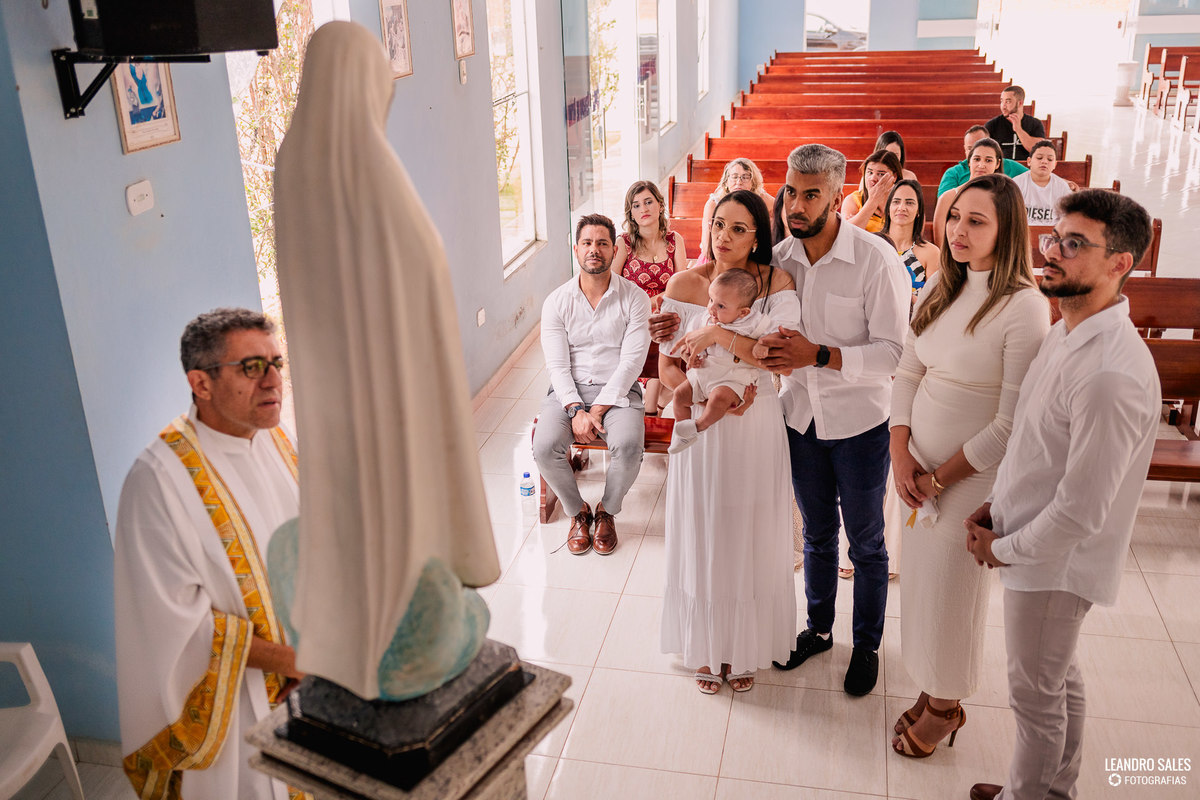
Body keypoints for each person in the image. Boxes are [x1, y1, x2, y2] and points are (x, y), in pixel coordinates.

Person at [967, 190, 1159, 800]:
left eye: (1074, 245)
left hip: (1053, 560)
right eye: (1054, 238)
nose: (1051, 253)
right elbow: (1034, 441)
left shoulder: (1109, 373)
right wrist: (997, 505)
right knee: (1057, 674)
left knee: (1034, 696)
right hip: (1028, 536)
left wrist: (1006, 547)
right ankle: (1056, 791)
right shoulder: (1068, 330)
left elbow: (1080, 509)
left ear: (1119, 263)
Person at [888, 174, 1050, 759]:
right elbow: (908, 371)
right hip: (916, 467)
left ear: (1006, 231)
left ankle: (945, 705)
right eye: (955, 217)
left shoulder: (1024, 308)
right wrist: (900, 449)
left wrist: (936, 478)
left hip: (968, 478)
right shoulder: (940, 284)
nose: (958, 230)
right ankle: (930, 683)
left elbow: (1010, 424)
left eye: (976, 221)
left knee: (953, 593)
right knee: (922, 587)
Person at [114, 309, 301, 800]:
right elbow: (178, 626)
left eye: (276, 362)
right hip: (238, 710)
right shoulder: (158, 481)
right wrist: (298, 661)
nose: (274, 380)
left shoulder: (277, 441)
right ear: (201, 382)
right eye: (251, 367)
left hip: (310, 682)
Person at [760, 144, 909, 696]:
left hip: (861, 426)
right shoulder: (779, 260)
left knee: (866, 543)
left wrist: (819, 355)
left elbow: (895, 353)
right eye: (790, 192)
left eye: (810, 194)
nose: (795, 204)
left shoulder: (874, 259)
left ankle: (866, 645)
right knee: (817, 537)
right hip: (800, 420)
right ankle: (819, 629)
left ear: (836, 196)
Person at [654, 189, 800, 695]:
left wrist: (717, 339)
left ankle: (743, 647)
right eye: (719, 223)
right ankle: (705, 645)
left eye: (739, 227)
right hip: (702, 423)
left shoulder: (776, 283)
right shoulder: (684, 283)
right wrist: (689, 391)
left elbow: (776, 358)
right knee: (705, 524)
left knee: (747, 526)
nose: (726, 235)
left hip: (754, 422)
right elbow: (668, 362)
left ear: (759, 234)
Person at [533, 214, 651, 556]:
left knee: (629, 446)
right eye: (587, 243)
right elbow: (557, 365)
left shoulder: (635, 298)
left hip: (618, 393)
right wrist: (575, 409)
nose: (594, 250)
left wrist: (595, 411)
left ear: (615, 250)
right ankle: (578, 512)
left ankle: (607, 512)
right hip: (568, 392)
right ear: (576, 249)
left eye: (602, 243)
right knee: (544, 448)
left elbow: (631, 363)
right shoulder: (557, 301)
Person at [668, 267, 774, 453]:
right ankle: (683, 432)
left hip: (732, 378)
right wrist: (691, 358)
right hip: (704, 374)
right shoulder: (703, 319)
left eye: (721, 306)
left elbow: (770, 337)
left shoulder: (753, 322)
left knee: (718, 398)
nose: (712, 308)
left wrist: (761, 345)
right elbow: (690, 346)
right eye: (711, 300)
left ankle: (699, 426)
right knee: (679, 395)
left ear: (743, 312)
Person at [612, 180, 688, 416]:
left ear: (660, 206)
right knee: (654, 331)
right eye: (636, 205)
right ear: (631, 213)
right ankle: (649, 407)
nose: (643, 209)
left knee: (669, 331)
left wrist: (659, 301)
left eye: (648, 202)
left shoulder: (675, 240)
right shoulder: (623, 243)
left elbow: (683, 284)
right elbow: (613, 285)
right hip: (631, 314)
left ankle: (653, 407)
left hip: (666, 312)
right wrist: (643, 304)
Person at [933, 138, 1004, 247]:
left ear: (997, 163)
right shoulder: (948, 198)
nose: (981, 165)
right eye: (977, 159)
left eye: (988, 160)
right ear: (969, 162)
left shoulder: (1004, 197)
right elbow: (940, 245)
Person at [699, 158, 776, 259]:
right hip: (718, 256)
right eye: (734, 177)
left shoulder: (762, 199)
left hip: (751, 256)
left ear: (753, 182)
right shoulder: (713, 204)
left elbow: (780, 214)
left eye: (745, 177)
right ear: (726, 182)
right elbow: (707, 247)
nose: (739, 182)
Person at [882, 179, 941, 306]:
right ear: (888, 208)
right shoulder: (875, 244)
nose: (901, 208)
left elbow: (933, 303)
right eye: (896, 202)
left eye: (909, 203)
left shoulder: (931, 252)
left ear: (918, 211)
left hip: (913, 321)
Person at [938, 125, 1028, 197]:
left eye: (988, 160)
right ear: (965, 149)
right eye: (970, 148)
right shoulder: (953, 173)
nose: (981, 165)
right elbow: (944, 203)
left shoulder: (1010, 166)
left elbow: (1033, 179)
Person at [1012, 140, 1074, 225]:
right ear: (1029, 161)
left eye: (1050, 159)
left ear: (1055, 165)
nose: (1044, 161)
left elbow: (1068, 218)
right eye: (1039, 158)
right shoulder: (1016, 183)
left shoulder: (1062, 187)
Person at [840, 149, 902, 233]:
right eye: (870, 172)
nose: (873, 178)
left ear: (894, 176)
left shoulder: (903, 200)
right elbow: (847, 233)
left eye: (881, 174)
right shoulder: (853, 200)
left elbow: (908, 237)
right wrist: (873, 200)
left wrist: (863, 232)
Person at [985, 85, 1046, 162]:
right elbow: (984, 151)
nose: (1003, 106)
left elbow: (1040, 151)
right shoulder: (992, 125)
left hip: (1028, 170)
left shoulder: (1035, 124)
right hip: (1002, 170)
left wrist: (1019, 130)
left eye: (1008, 101)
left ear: (1020, 103)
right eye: (1002, 101)